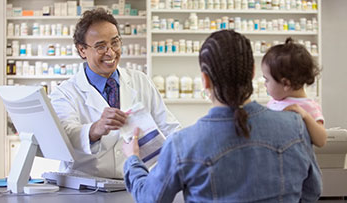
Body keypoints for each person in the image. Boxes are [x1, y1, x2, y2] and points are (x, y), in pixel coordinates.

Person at [122, 30, 322, 202]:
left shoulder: (182, 144)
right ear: (252, 72)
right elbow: (312, 191)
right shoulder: (295, 126)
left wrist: (132, 159)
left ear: (205, 81)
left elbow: (150, 198)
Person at [50, 8, 180, 179]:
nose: (111, 52)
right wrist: (95, 129)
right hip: (85, 186)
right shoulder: (64, 93)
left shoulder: (140, 81)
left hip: (134, 182)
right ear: (82, 50)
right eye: (100, 46)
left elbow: (168, 127)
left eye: (115, 42)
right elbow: (65, 137)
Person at [261, 38, 327, 147]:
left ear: (286, 83)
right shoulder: (273, 102)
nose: (265, 84)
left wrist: (305, 116)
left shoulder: (308, 106)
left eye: (267, 79)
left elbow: (321, 141)